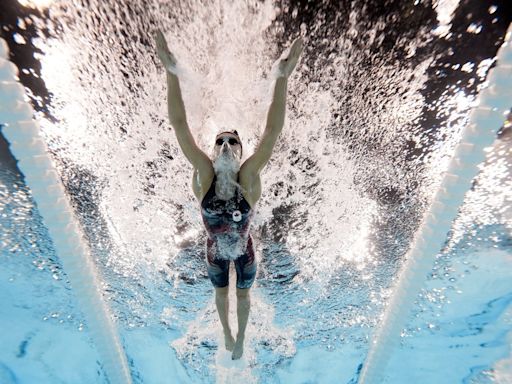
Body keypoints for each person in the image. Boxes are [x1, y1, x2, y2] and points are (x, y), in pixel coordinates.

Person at [155, 30, 303, 360]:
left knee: (243, 296)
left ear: (240, 152)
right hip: (215, 253)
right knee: (222, 295)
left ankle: (242, 337)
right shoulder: (204, 175)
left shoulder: (249, 179)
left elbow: (272, 132)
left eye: (232, 142)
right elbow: (180, 125)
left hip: (245, 249)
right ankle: (226, 332)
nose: (224, 145)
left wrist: (282, 77)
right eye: (220, 141)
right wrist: (171, 71)